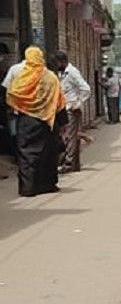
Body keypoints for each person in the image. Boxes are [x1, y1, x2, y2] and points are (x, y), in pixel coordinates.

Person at [3, 47, 66, 196]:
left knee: (26, 155)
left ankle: (28, 188)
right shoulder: (50, 77)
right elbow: (59, 100)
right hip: (47, 120)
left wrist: (12, 110)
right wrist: (63, 121)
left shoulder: (19, 74)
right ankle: (47, 185)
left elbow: (9, 94)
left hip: (26, 120)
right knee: (48, 154)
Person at [53, 52, 91, 173]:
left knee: (70, 137)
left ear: (62, 61)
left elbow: (86, 89)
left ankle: (70, 163)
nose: (56, 65)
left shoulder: (72, 72)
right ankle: (74, 164)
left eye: (57, 63)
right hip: (65, 108)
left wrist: (77, 103)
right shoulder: (63, 73)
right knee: (71, 137)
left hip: (72, 109)